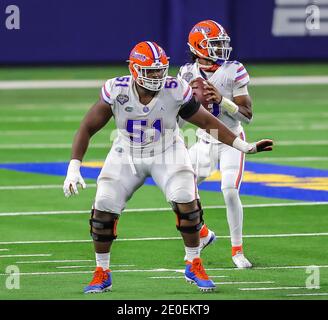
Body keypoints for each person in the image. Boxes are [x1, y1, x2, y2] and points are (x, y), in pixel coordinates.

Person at [63, 41, 273, 293]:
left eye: (160, 69)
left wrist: (244, 146)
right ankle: (101, 271)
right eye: (149, 71)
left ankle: (194, 262)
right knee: (103, 208)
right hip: (126, 153)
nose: (156, 75)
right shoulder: (116, 89)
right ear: (134, 69)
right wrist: (74, 167)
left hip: (168, 151)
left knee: (187, 202)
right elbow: (87, 127)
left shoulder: (175, 89)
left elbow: (208, 122)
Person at [178, 20, 258, 268]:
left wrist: (222, 100)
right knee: (178, 189)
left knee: (229, 190)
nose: (222, 48)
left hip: (231, 140)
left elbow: (247, 115)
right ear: (198, 47)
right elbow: (178, 113)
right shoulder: (186, 73)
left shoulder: (234, 69)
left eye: (222, 43)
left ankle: (237, 250)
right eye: (215, 44)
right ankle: (202, 234)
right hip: (203, 139)